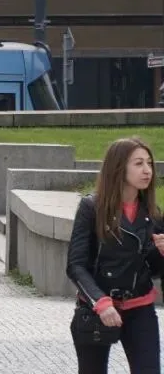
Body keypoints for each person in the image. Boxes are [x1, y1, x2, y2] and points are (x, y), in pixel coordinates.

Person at [66, 137, 164, 374]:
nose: (147, 170)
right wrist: (100, 302)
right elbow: (76, 265)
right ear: (119, 168)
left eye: (149, 163)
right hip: (97, 309)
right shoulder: (91, 208)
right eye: (138, 163)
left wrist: (161, 253)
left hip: (140, 308)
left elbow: (153, 270)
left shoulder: (152, 213)